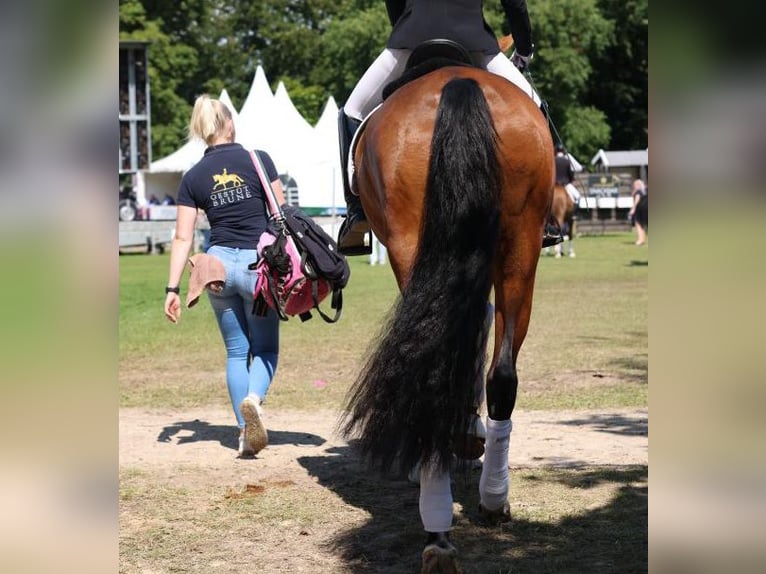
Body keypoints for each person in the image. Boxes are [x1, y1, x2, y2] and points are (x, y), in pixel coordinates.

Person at [337, 0, 541, 255]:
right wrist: (523, 49)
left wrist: (406, 26)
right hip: (475, 40)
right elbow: (514, 3)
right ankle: (543, 209)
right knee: (535, 107)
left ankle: (357, 213)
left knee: (351, 112)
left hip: (411, 37)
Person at [163, 94, 286, 458]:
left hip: (215, 267)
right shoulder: (258, 160)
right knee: (265, 348)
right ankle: (253, 400)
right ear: (230, 123)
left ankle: (244, 434)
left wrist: (172, 288)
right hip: (256, 266)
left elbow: (183, 237)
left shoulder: (193, 177)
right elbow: (281, 215)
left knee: (236, 351)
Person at [555, 144, 581, 208]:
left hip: (554, 185)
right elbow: (570, 174)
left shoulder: (553, 160)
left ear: (556, 151)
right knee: (578, 197)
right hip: (565, 184)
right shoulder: (567, 161)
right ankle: (574, 212)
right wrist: (572, 179)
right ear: (563, 151)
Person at [628, 178, 648, 245]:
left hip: (639, 209)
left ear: (638, 184)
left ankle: (640, 240)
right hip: (645, 209)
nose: (634, 185)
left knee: (638, 224)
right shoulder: (644, 191)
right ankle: (642, 239)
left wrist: (633, 208)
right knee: (642, 225)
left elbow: (637, 199)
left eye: (635, 184)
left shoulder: (638, 192)